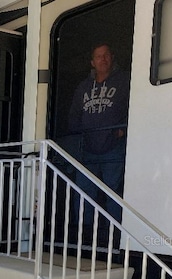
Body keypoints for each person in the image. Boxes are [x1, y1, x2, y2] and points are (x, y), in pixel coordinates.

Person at [68, 42, 130, 229]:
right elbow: (73, 116)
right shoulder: (83, 87)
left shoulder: (125, 81)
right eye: (98, 56)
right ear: (92, 62)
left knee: (113, 193)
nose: (103, 59)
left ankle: (116, 235)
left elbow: (138, 106)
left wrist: (124, 130)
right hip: (87, 150)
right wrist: (79, 137)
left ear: (112, 57)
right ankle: (84, 235)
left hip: (114, 148)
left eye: (106, 55)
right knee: (84, 193)